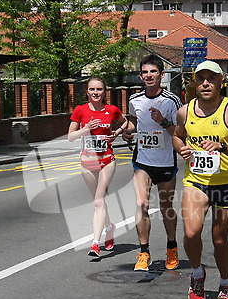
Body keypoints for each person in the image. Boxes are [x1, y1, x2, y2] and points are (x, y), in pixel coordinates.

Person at [172, 60, 228, 299]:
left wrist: (222, 146)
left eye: (211, 78)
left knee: (219, 239)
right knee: (191, 233)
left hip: (226, 182)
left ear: (221, 82)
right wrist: (181, 149)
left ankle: (225, 283)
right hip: (196, 180)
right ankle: (197, 275)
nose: (205, 83)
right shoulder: (185, 111)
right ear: (194, 83)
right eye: (201, 78)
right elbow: (176, 134)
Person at [122, 54, 182, 271]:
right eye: (145, 72)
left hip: (165, 162)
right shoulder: (135, 100)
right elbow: (133, 122)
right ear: (141, 75)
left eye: (153, 72)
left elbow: (180, 133)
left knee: (166, 207)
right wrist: (128, 133)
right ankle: (144, 252)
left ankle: (172, 247)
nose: (149, 76)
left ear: (161, 75)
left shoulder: (172, 101)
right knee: (141, 204)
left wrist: (163, 121)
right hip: (143, 161)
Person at [68, 77, 128, 257]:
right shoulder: (80, 110)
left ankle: (95, 243)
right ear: (87, 92)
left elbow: (125, 121)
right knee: (98, 201)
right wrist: (85, 129)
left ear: (104, 92)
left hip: (107, 160)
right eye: (92, 89)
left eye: (99, 89)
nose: (96, 93)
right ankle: (109, 227)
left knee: (98, 201)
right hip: (87, 162)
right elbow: (70, 136)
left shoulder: (112, 110)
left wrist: (117, 133)